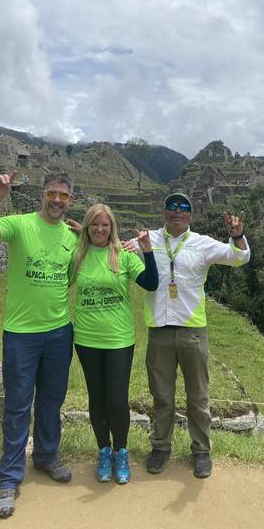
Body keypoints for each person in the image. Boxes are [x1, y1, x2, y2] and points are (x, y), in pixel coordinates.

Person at [0, 169, 78, 518]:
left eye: (64, 195)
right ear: (44, 195)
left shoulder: (74, 236)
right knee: (17, 405)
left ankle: (46, 455)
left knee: (51, 400)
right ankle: (9, 477)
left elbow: (105, 251)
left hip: (60, 332)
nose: (57, 200)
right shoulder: (20, 224)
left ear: (70, 200)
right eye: (52, 193)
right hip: (21, 333)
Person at [139, 192, 250, 479]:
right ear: (164, 212)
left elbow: (239, 257)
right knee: (162, 395)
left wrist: (237, 235)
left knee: (198, 395)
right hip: (159, 330)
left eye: (183, 207)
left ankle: (201, 450)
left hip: (192, 331)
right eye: (172, 206)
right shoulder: (147, 239)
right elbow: (115, 248)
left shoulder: (202, 244)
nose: (177, 211)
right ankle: (160, 447)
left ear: (191, 214)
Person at [69, 204, 158, 484]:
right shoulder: (78, 255)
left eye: (105, 225)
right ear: (86, 226)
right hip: (86, 338)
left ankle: (121, 451)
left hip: (119, 339)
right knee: (96, 398)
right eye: (94, 224)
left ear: (112, 227)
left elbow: (152, 283)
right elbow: (57, 285)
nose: (99, 229)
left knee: (117, 398)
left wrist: (147, 250)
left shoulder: (124, 255)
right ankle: (103, 451)